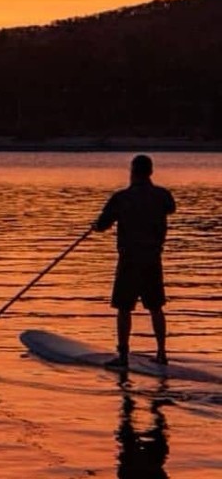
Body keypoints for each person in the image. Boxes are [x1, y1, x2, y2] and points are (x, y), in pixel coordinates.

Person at [92, 155, 175, 369]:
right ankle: (162, 352)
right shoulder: (163, 195)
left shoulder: (122, 198)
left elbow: (102, 224)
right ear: (150, 172)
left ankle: (123, 356)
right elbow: (170, 208)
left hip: (130, 259)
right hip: (153, 258)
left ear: (132, 171)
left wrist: (97, 226)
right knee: (156, 306)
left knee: (123, 307)